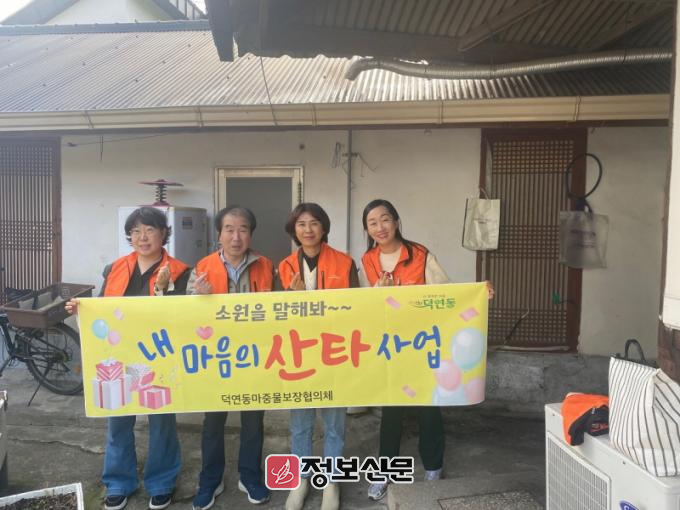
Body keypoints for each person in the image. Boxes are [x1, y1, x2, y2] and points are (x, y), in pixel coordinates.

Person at [360, 199, 493, 502]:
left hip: (424, 344)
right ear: (367, 229)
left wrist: (476, 292)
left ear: (396, 221)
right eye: (372, 223)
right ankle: (385, 471)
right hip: (391, 346)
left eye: (385, 219)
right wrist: (380, 293)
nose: (380, 227)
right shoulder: (367, 260)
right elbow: (365, 305)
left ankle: (433, 467)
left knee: (429, 407)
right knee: (390, 411)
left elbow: (446, 293)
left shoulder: (420, 255)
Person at [66, 207, 191, 510]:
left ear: (164, 233)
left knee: (162, 421)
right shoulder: (115, 268)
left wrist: (164, 291)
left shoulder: (180, 271)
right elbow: (102, 310)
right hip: (118, 356)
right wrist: (81, 309)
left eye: (149, 230)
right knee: (119, 420)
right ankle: (118, 481)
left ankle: (161, 482)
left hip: (160, 355)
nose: (142, 237)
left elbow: (183, 316)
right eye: (135, 231)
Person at [189, 205, 274, 510]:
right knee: (213, 421)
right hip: (217, 357)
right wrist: (197, 298)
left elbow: (279, 310)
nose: (236, 237)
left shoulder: (266, 265)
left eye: (243, 230)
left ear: (251, 234)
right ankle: (210, 480)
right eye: (229, 229)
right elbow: (185, 315)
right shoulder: (203, 266)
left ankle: (249, 476)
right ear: (219, 234)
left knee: (253, 420)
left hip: (254, 356)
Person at [278, 202, 359, 510]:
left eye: (314, 223)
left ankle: (332, 480)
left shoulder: (344, 262)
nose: (308, 230)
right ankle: (301, 478)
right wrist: (291, 297)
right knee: (300, 421)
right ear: (294, 230)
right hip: (298, 353)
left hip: (334, 350)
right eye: (301, 224)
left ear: (324, 228)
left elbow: (357, 307)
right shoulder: (284, 266)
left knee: (335, 420)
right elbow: (274, 315)